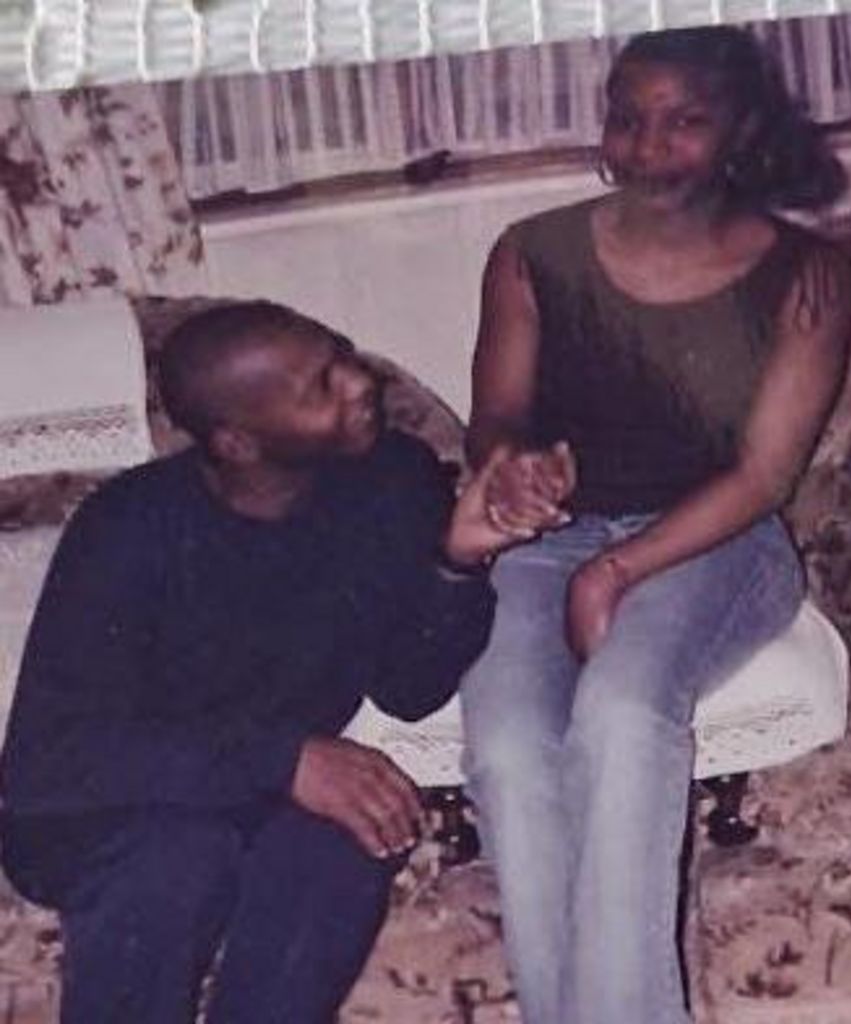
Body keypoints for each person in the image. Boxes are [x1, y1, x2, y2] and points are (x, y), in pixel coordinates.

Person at [0, 301, 562, 1024]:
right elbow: (54, 758)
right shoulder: (127, 526)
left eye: (342, 355)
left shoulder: (393, 480)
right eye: (321, 386)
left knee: (345, 842)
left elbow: (408, 688)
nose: (360, 382)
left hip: (259, 788)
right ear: (239, 442)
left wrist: (457, 560)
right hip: (111, 803)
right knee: (178, 857)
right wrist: (285, 759)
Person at [460, 25, 851, 1024]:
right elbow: (496, 418)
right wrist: (515, 473)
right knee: (508, 742)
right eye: (628, 119)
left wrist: (619, 569)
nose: (646, 146)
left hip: (716, 540)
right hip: (548, 541)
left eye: (683, 122)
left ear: (737, 131)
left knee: (624, 710)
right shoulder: (530, 254)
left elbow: (765, 473)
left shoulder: (807, 270)